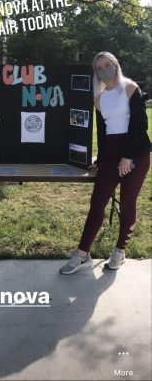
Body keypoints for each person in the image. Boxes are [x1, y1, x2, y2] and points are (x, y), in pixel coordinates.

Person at [60, 51, 151, 275]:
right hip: (111, 155)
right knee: (97, 203)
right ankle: (82, 255)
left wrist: (127, 157)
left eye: (107, 65)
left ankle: (120, 250)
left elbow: (140, 125)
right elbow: (102, 132)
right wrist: (100, 160)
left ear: (116, 64)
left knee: (127, 203)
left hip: (136, 153)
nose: (103, 70)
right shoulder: (99, 98)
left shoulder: (130, 88)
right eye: (99, 68)